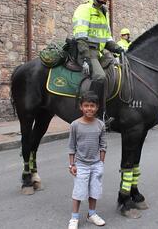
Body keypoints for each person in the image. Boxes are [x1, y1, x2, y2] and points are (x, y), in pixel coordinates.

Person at [72, 0, 124, 121]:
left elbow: (106, 38)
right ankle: (93, 111)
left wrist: (119, 49)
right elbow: (80, 37)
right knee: (100, 76)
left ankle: (112, 106)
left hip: (100, 52)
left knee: (117, 68)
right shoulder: (84, 9)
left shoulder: (103, 13)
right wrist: (86, 58)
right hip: (86, 51)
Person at [67, 91, 107, 229]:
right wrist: (71, 164)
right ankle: (74, 217)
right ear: (81, 107)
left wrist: (101, 162)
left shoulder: (100, 125)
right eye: (86, 105)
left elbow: (103, 145)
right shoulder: (75, 125)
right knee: (78, 192)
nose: (89, 108)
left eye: (92, 106)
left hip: (96, 165)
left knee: (94, 191)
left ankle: (91, 214)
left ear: (97, 107)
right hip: (81, 165)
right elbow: (71, 146)